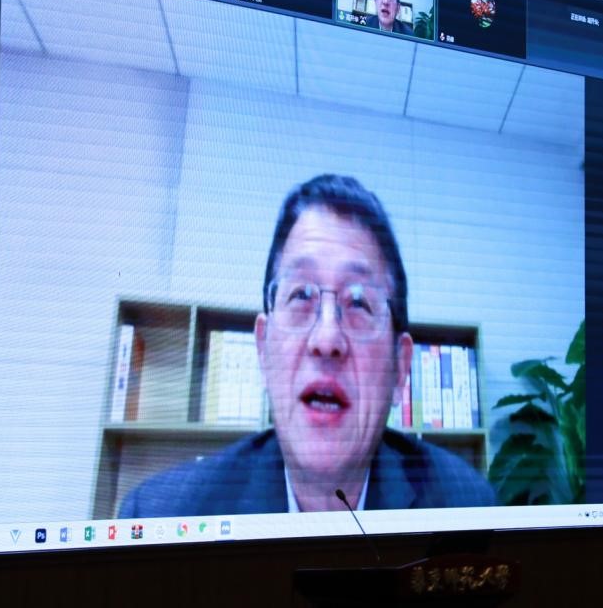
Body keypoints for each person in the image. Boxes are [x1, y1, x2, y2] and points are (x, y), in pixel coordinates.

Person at [119, 174, 495, 517]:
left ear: (400, 368)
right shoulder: (161, 517)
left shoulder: (466, 508)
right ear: (263, 350)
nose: (326, 339)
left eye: (359, 302)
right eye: (300, 295)